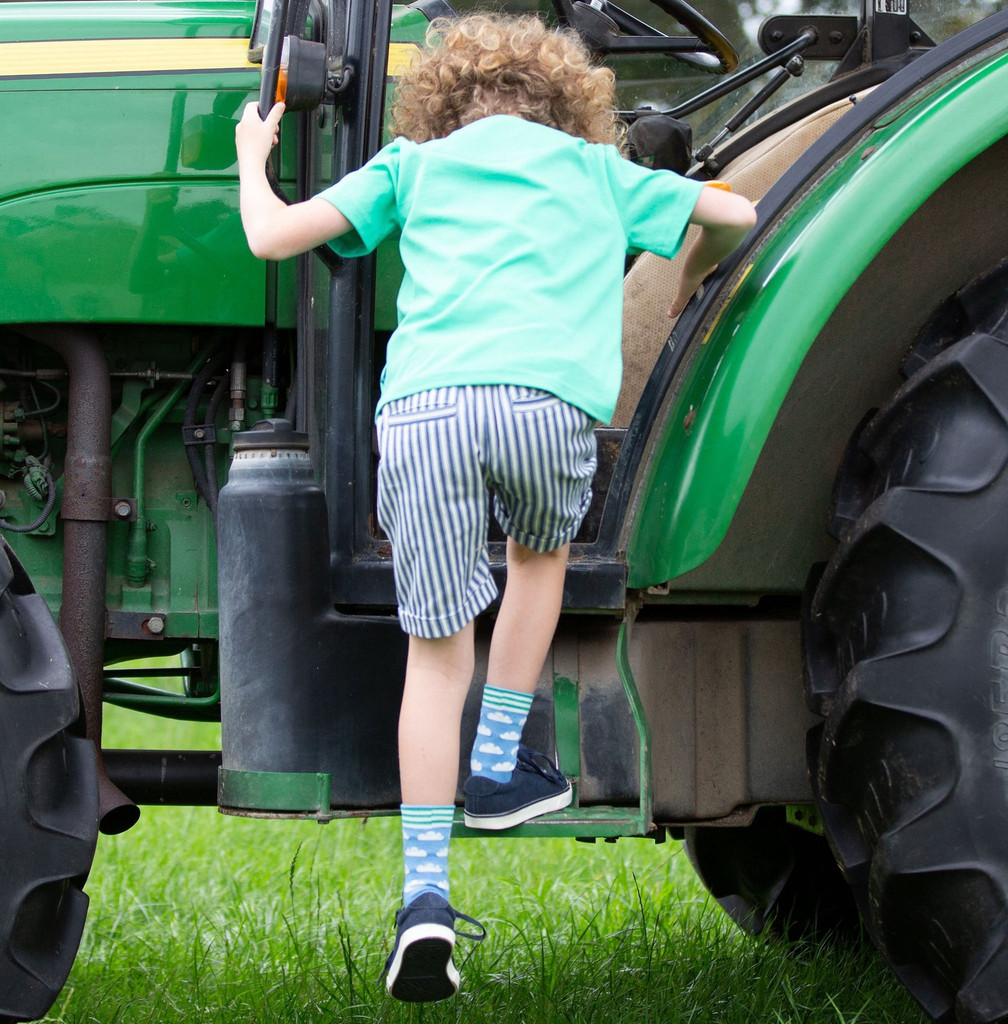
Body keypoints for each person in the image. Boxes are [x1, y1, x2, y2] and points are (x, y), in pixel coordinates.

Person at [235, 10, 756, 1004]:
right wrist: (696, 215)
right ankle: (500, 763)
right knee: (536, 562)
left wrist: (255, 155)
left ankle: (424, 899)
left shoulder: (409, 167)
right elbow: (727, 214)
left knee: (433, 654)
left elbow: (272, 238)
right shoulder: (594, 171)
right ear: (565, 100)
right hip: (543, 408)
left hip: (424, 412)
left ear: (445, 101)